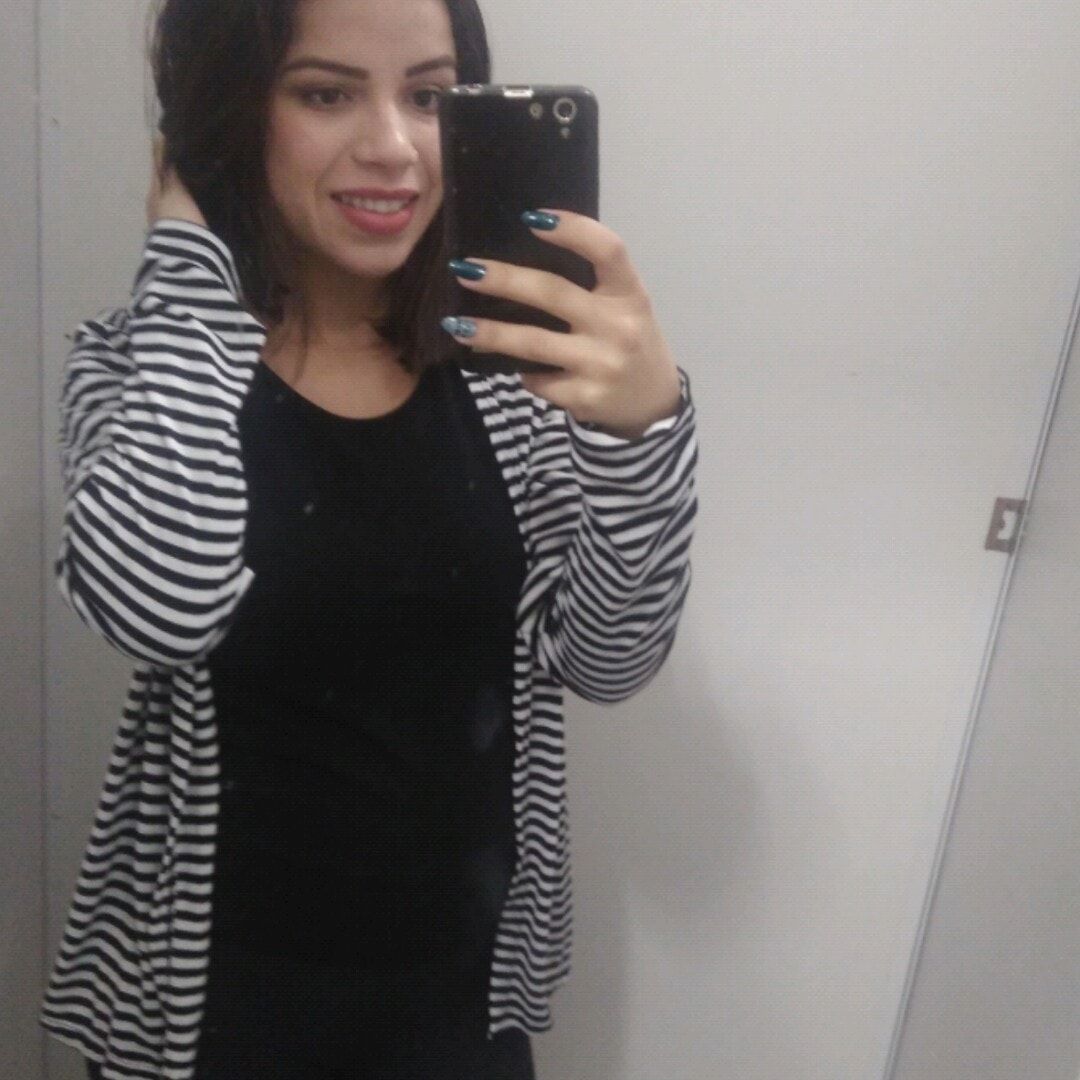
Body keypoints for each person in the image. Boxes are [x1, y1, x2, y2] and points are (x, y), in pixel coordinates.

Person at [41, 0, 699, 1076]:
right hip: (212, 1005)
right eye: (326, 92)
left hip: (460, 999)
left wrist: (645, 435)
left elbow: (608, 662)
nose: (395, 146)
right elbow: (159, 612)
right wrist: (189, 263)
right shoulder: (145, 368)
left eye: (430, 96)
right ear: (231, 112)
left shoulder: (517, 381)